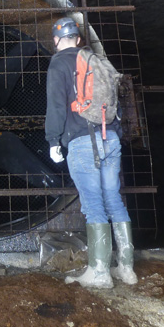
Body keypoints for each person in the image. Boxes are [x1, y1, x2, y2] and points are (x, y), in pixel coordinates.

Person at [45, 16, 137, 288]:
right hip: (110, 140)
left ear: (55, 40)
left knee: (93, 203)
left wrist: (53, 141)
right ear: (79, 38)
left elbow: (57, 106)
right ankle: (127, 269)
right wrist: (115, 136)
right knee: (113, 198)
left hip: (83, 142)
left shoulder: (59, 63)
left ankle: (99, 273)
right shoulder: (95, 60)